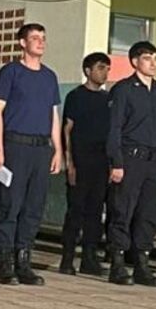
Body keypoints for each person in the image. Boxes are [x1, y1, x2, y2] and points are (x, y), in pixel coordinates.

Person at [0, 23, 62, 286]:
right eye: (34, 38)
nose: (40, 42)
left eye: (43, 38)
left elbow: (53, 115)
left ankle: (24, 261)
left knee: (34, 207)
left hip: (41, 148)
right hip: (15, 145)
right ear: (22, 43)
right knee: (10, 205)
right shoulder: (11, 72)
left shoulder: (50, 77)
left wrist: (58, 150)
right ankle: (5, 263)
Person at [106, 41, 156, 287]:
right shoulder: (123, 90)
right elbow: (114, 129)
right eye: (148, 58)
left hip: (155, 161)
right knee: (123, 210)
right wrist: (116, 162)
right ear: (135, 61)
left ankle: (142, 264)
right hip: (130, 158)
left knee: (149, 213)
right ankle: (117, 262)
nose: (153, 63)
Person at [60, 52, 111, 278]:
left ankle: (89, 258)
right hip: (80, 160)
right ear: (88, 71)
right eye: (100, 68)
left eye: (107, 68)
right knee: (76, 211)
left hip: (101, 162)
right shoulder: (75, 96)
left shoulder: (107, 100)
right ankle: (68, 258)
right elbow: (67, 129)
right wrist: (69, 162)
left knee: (95, 211)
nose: (105, 72)